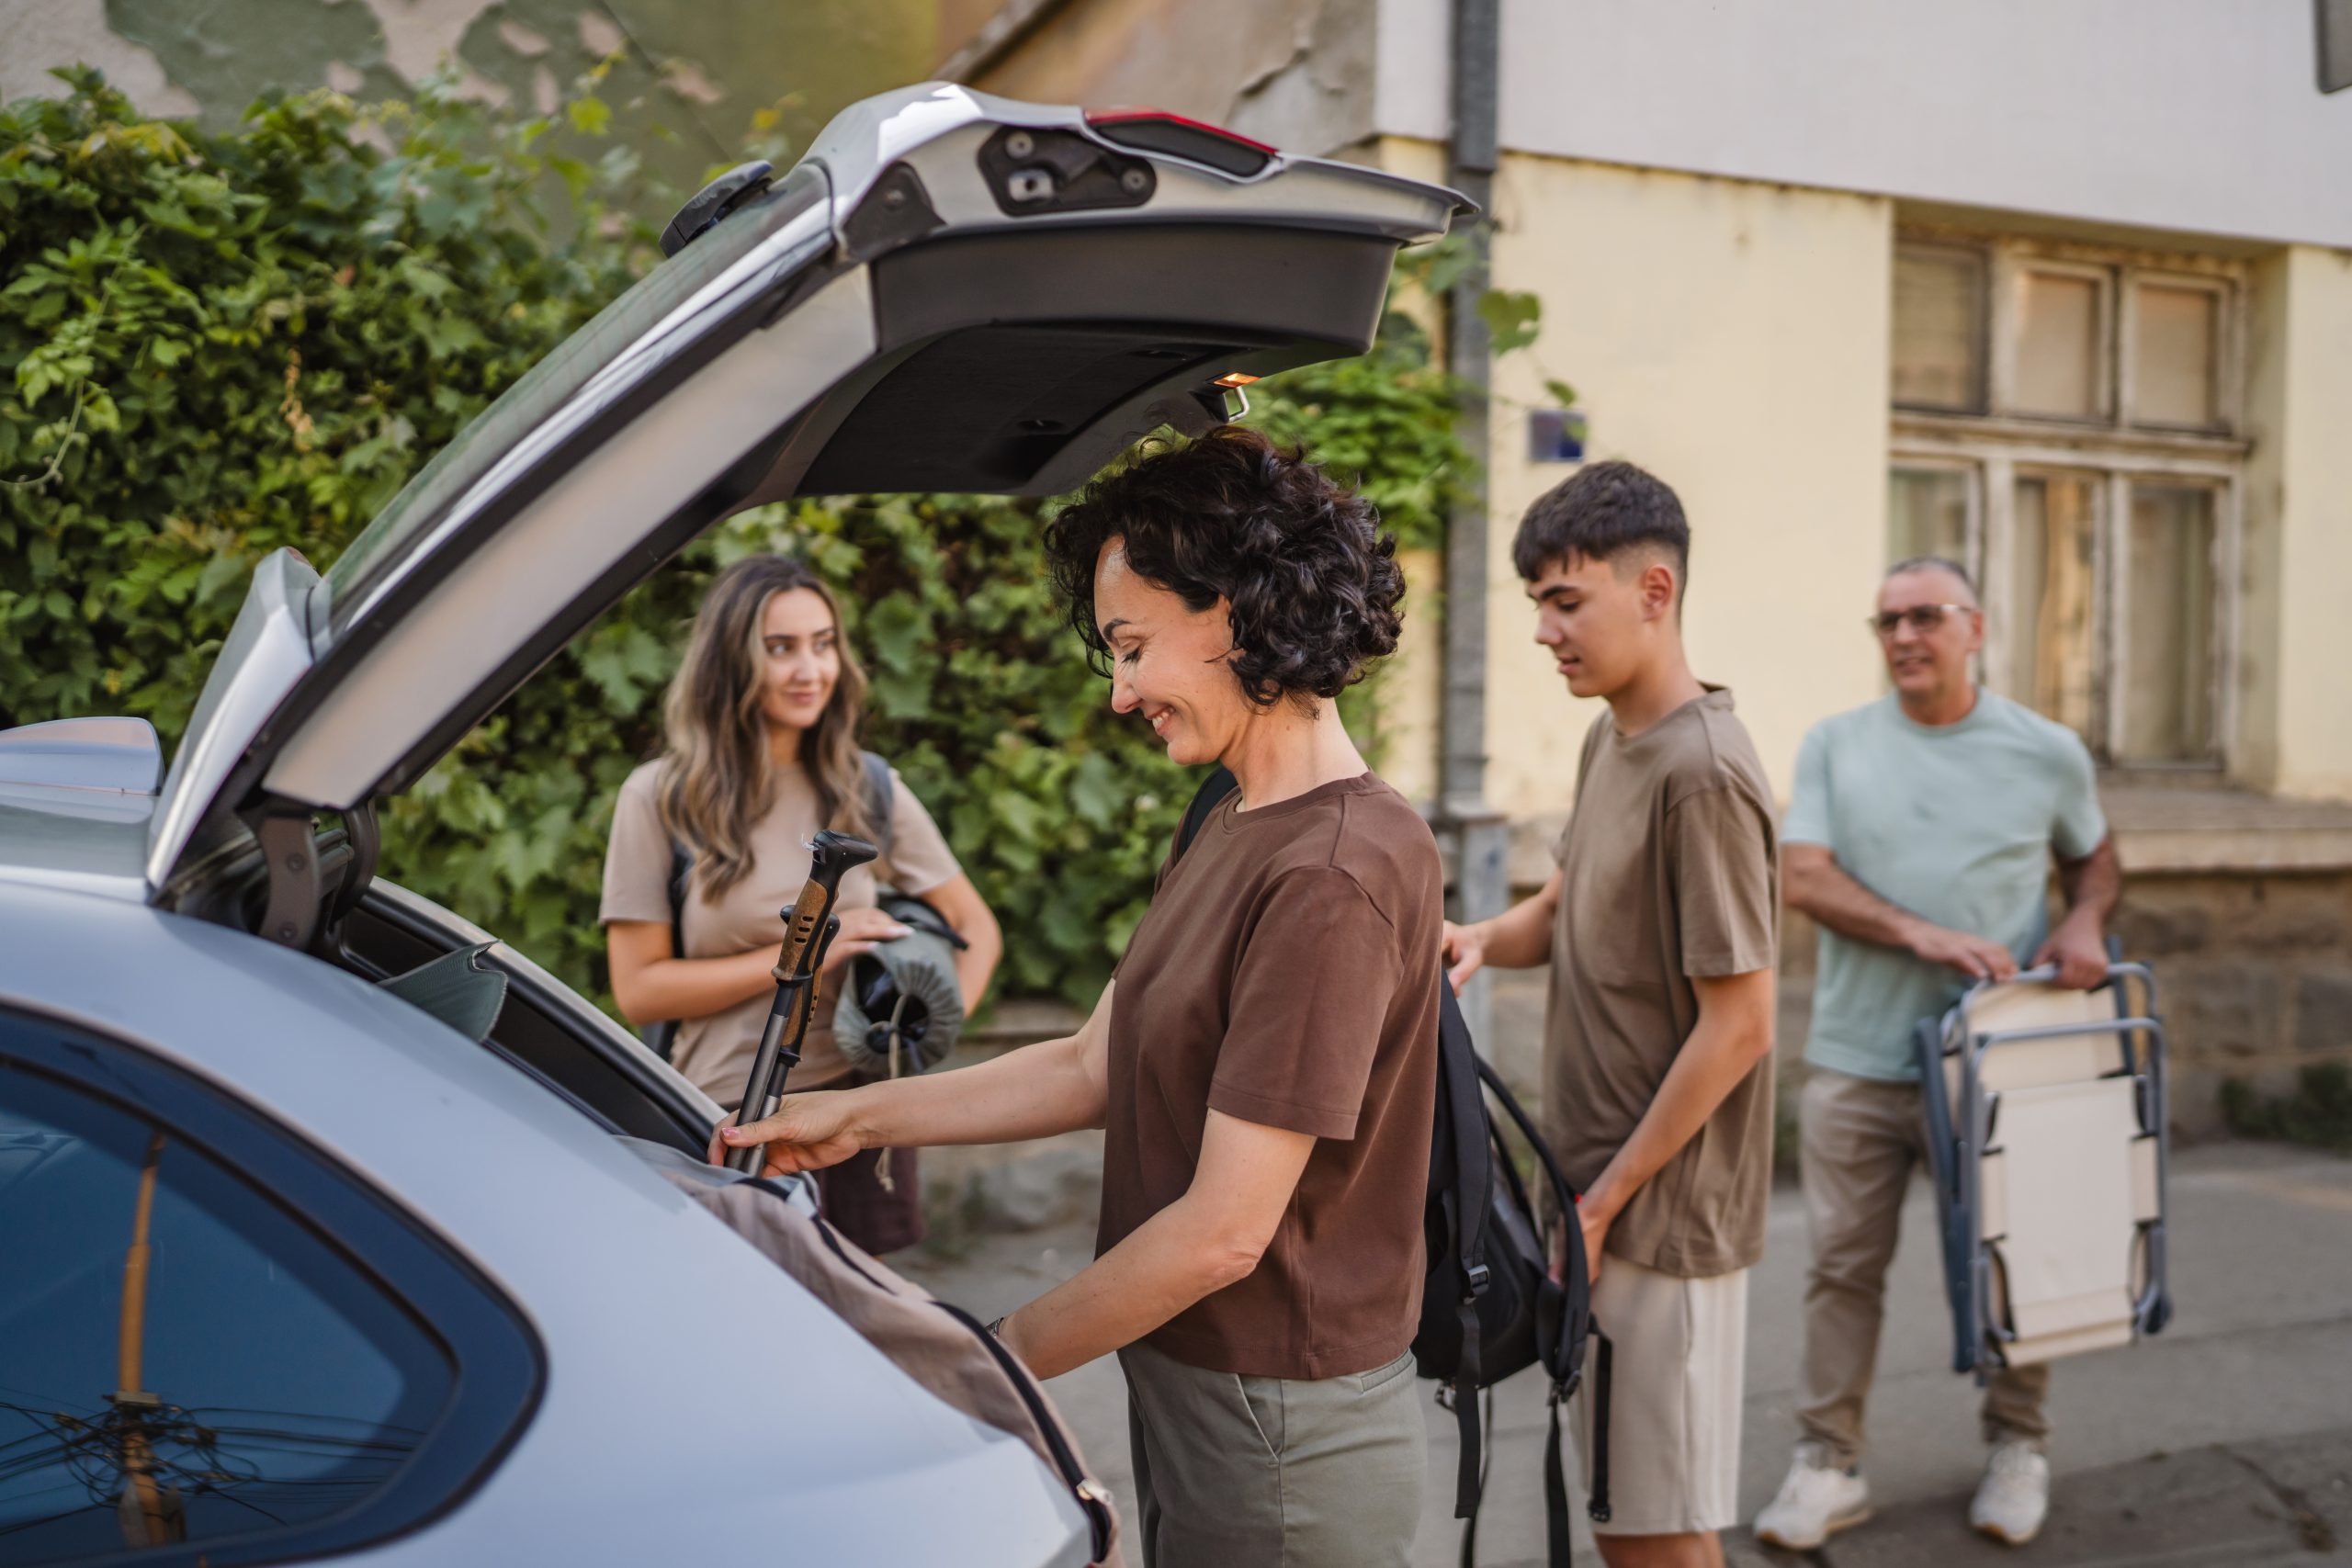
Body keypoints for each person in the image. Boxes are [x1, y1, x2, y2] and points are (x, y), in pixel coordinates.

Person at [719, 427, 1443, 1568]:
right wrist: (851, 1118)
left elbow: (1222, 1236)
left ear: (1235, 611)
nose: (1118, 694)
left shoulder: (1332, 870)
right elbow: (1089, 1066)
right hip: (1204, 1389)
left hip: (1283, 1435)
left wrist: (983, 1363)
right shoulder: (1232, 817)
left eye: (1132, 647)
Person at [1442, 460, 1778, 1568]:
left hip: (1657, 1219)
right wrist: (1483, 939)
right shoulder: (1611, 739)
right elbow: (1566, 905)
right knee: (1620, 1517)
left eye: (1564, 600)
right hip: (1593, 1200)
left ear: (1655, 590)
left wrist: (1603, 1202)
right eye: (1536, 601)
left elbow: (1741, 1025)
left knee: (1658, 1539)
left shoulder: (1706, 773)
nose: (1542, 630)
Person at [1751, 557, 2120, 1551]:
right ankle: (1827, 1463)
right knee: (1839, 1269)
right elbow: (1804, 875)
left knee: (2016, 1262)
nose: (1903, 638)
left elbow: (2093, 857)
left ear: (1976, 628)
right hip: (1857, 1059)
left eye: (1923, 617)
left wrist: (2085, 919)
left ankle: (2018, 1446)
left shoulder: (2045, 750)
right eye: (1884, 623)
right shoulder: (1836, 742)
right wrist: (1922, 934)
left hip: (1997, 1060)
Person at [603, 554, 1002, 1256]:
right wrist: (801, 959)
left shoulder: (866, 786)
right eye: (781, 648)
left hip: (854, 1111)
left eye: (823, 644)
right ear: (729, 660)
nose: (810, 669)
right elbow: (640, 990)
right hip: (722, 1121)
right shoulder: (661, 798)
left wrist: (923, 1044)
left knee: (858, 1345)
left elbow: (978, 928)